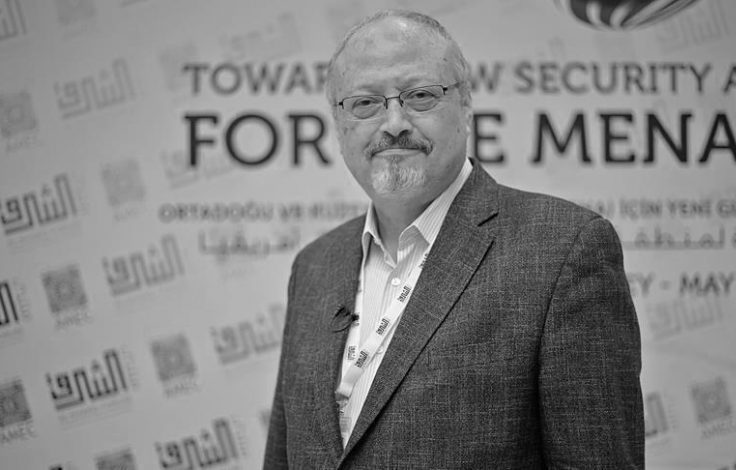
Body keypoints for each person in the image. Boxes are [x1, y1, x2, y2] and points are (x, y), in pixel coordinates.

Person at [264, 9, 643, 469]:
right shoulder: (314, 266)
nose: (394, 123)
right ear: (338, 123)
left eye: (420, 96)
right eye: (365, 103)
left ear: (465, 106)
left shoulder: (563, 251)